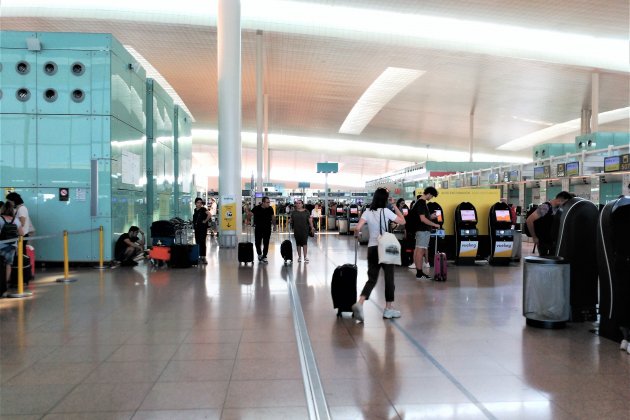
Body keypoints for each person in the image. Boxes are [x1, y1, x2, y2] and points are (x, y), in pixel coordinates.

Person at [351, 187, 406, 322]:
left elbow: (357, 228)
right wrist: (394, 206)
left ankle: (360, 302)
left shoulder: (367, 212)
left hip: (372, 247)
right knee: (389, 278)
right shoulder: (386, 211)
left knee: (372, 278)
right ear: (385, 199)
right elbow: (402, 221)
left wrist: (357, 235)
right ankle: (388, 308)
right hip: (386, 246)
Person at [526, 191, 574, 256]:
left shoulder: (558, 208)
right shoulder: (545, 207)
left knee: (553, 259)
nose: (565, 205)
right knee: (544, 259)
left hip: (553, 241)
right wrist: (534, 237)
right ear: (560, 200)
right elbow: (529, 221)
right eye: (565, 203)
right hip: (543, 241)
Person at [411, 187, 440, 279]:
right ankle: (419, 273)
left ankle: (419, 272)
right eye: (432, 196)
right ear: (429, 194)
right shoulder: (422, 203)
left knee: (417, 251)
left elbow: (421, 218)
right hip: (423, 231)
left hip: (420, 230)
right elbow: (423, 219)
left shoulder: (419, 202)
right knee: (420, 252)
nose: (431, 198)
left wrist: (430, 216)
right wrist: (435, 224)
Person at [0, 201, 25, 284]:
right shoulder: (16, 220)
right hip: (12, 246)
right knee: (8, 264)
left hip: (1, 245)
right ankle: (5, 283)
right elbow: (21, 233)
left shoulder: (0, 219)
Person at [247, 196, 275, 264]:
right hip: (258, 228)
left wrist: (274, 225)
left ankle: (264, 256)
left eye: (269, 202)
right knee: (257, 242)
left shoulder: (270, 208)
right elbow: (250, 214)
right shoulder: (257, 208)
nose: (269, 204)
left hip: (267, 228)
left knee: (266, 242)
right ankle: (259, 254)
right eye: (267, 202)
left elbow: (273, 217)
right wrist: (248, 220)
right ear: (263, 202)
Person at [192, 198, 210, 264]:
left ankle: (203, 257)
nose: (199, 204)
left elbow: (209, 215)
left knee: (202, 242)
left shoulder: (203, 209)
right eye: (198, 202)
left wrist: (205, 221)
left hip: (202, 228)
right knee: (198, 242)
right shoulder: (195, 210)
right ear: (195, 203)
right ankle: (199, 256)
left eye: (200, 203)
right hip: (197, 228)